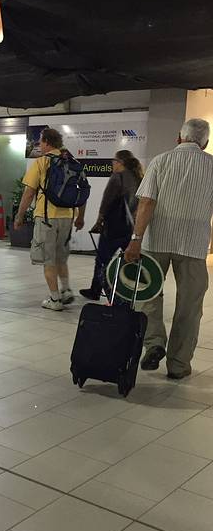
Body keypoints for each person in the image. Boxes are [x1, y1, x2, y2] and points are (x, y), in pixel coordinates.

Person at [125, 118, 213, 379]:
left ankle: (154, 343)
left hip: (156, 241)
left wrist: (135, 239)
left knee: (147, 294)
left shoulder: (160, 161)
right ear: (205, 142)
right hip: (194, 245)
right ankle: (178, 365)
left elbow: (147, 203)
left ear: (179, 137)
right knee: (190, 306)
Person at [13, 128, 85, 311]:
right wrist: (81, 217)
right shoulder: (72, 161)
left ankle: (55, 299)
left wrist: (20, 216)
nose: (39, 144)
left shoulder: (42, 162)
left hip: (46, 218)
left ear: (46, 142)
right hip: (68, 217)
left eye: (40, 141)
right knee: (61, 257)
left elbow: (29, 192)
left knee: (48, 260)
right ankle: (66, 290)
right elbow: (82, 192)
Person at [80, 150, 143, 300]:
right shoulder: (137, 177)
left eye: (114, 161)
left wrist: (99, 221)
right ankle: (134, 291)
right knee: (130, 260)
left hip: (113, 226)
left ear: (120, 162)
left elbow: (106, 202)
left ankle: (100, 292)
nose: (112, 164)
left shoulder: (117, 177)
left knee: (102, 260)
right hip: (130, 228)